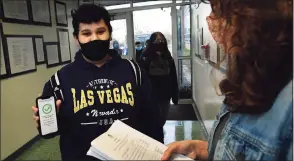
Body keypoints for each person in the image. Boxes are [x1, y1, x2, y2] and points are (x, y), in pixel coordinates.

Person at [162, 0, 293, 160]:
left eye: (218, 10)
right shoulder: (247, 79)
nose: (212, 21)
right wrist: (200, 148)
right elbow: (237, 150)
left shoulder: (288, 107)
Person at [31, 4, 163, 161]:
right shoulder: (60, 80)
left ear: (109, 33)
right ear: (76, 38)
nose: (94, 38)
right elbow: (50, 131)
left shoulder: (134, 71)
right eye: (86, 33)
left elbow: (153, 121)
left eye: (100, 31)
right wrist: (46, 125)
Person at [139, 32, 179, 126]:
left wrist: (175, 96)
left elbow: (173, 77)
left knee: (163, 119)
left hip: (165, 95)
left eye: (162, 40)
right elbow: (141, 78)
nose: (160, 42)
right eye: (157, 41)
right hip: (151, 95)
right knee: (152, 121)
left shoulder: (168, 58)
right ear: (152, 42)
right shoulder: (145, 57)